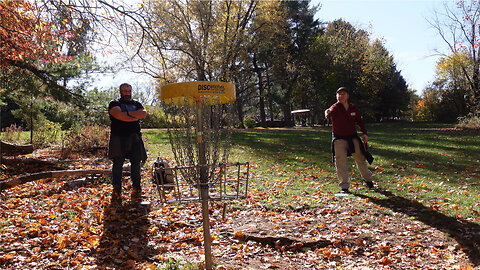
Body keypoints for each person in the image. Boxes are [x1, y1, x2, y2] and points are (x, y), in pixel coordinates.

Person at [324, 87, 374, 193]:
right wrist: (327, 113)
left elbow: (360, 121)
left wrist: (364, 133)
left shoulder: (353, 108)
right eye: (339, 94)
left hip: (352, 137)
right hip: (339, 139)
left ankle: (368, 180)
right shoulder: (335, 107)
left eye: (343, 94)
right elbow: (329, 111)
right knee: (340, 162)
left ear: (347, 96)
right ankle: (344, 187)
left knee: (361, 159)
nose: (340, 96)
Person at [108, 83, 147, 205]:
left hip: (135, 138)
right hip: (118, 137)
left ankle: (137, 188)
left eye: (129, 91)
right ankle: (117, 189)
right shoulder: (114, 103)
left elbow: (143, 114)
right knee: (118, 164)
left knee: (136, 164)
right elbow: (118, 115)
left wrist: (127, 114)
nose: (127, 93)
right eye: (124, 91)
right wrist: (134, 115)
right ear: (120, 91)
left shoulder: (137, 103)